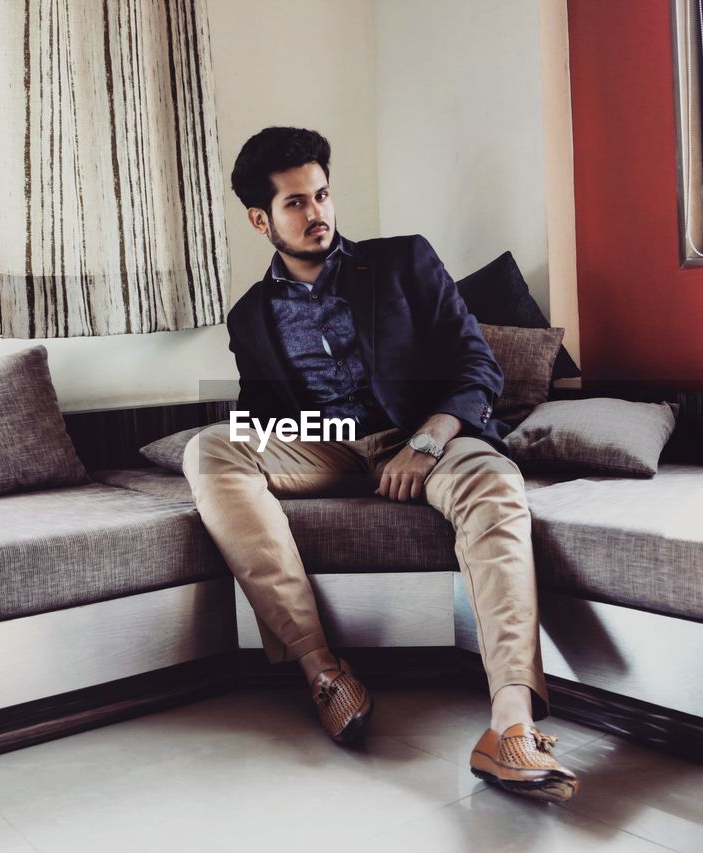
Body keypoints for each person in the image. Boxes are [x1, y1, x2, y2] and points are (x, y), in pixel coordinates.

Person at [183, 126, 578, 803]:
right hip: (328, 439)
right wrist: (248, 441)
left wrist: (428, 440)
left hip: (425, 431)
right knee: (210, 446)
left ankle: (509, 724)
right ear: (260, 219)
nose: (318, 214)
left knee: (494, 481)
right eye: (297, 204)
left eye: (323, 195)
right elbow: (262, 409)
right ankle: (323, 671)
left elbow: (476, 363)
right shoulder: (250, 315)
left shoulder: (402, 262)